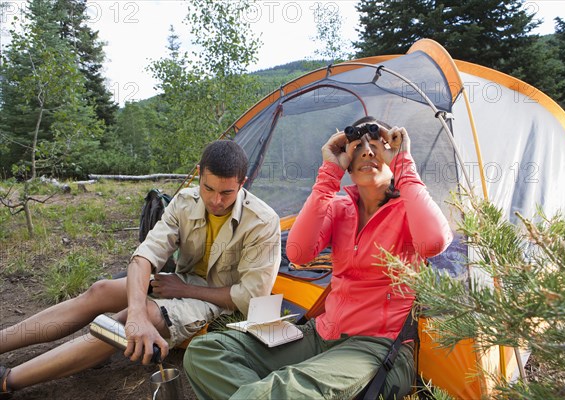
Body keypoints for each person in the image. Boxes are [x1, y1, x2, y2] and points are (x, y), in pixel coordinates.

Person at [183, 117, 453, 399]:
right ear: (347, 161)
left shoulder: (408, 206)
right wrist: (328, 174)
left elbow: (434, 241)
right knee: (206, 351)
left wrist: (403, 163)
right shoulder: (340, 207)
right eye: (357, 147)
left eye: (377, 146)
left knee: (282, 389)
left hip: (377, 347)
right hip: (322, 333)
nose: (368, 152)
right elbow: (298, 252)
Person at [0, 140, 281, 396]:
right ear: (199, 174)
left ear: (242, 183)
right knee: (101, 290)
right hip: (182, 280)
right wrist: (137, 310)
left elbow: (250, 296)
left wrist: (181, 290)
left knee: (132, 318)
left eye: (226, 193)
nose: (216, 201)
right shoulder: (185, 202)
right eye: (208, 188)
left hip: (220, 301)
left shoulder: (263, 221)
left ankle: (9, 381)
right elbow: (144, 256)